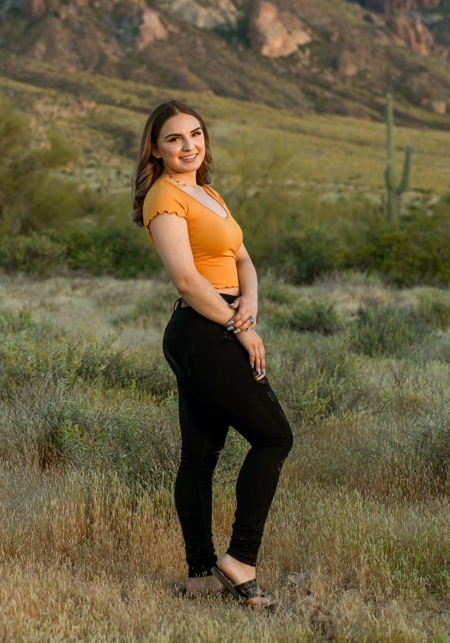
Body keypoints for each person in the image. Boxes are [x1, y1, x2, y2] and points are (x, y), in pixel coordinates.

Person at [132, 98, 294, 608]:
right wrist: (238, 328)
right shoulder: (163, 198)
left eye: (195, 134)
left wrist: (249, 303)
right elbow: (185, 277)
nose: (188, 146)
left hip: (221, 317)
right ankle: (240, 560)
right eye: (174, 139)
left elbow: (242, 258)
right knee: (274, 437)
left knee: (200, 459)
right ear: (155, 150)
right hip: (201, 327)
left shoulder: (208, 193)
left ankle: (201, 574)